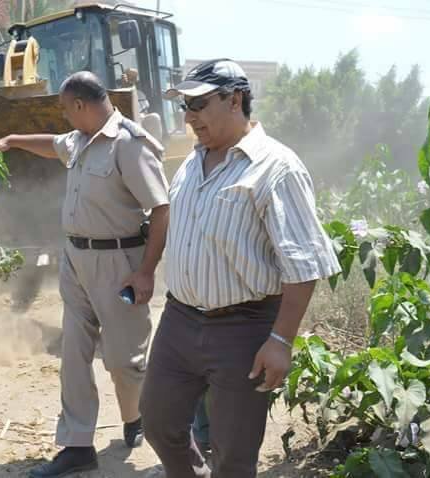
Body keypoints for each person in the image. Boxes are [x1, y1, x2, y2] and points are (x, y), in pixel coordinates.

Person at [140, 59, 341, 478]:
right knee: (158, 424)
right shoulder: (192, 161)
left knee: (233, 455)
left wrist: (280, 340)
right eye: (185, 106)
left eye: (198, 104)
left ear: (234, 100)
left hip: (242, 329)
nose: (189, 116)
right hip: (179, 320)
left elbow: (303, 263)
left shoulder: (276, 167)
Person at [0, 71, 170, 478]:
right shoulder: (80, 140)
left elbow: (161, 208)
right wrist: (11, 140)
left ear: (80, 105)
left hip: (119, 264)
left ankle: (135, 416)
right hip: (76, 259)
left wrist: (147, 272)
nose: (64, 116)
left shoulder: (129, 145)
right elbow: (52, 145)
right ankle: (78, 445)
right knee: (74, 356)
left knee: (123, 361)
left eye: (65, 109)